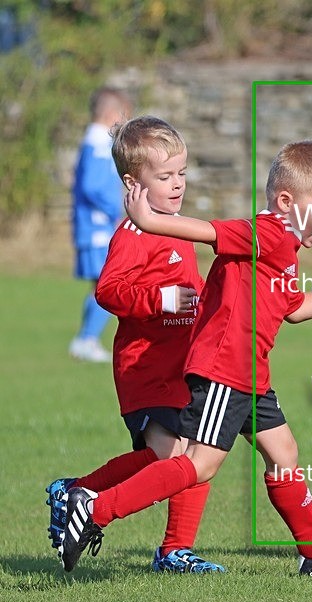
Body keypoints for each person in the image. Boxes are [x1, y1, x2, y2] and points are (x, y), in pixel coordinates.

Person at [58, 138, 312, 576]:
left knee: (284, 452)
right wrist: (149, 219)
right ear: (287, 201)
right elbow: (210, 233)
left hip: (254, 376)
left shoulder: (284, 249)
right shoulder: (266, 230)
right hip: (225, 372)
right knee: (199, 465)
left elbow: (296, 310)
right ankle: (96, 510)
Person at [46, 117, 222, 572]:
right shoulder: (135, 232)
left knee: (191, 452)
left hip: (183, 365)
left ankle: (170, 548)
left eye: (181, 174)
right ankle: (87, 499)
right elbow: (108, 290)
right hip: (145, 369)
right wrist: (158, 299)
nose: (177, 184)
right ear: (132, 182)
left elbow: (186, 287)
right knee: (175, 456)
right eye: (164, 177)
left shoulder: (179, 227)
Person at [69, 87, 132, 363]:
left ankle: (85, 338)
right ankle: (86, 339)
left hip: (97, 227)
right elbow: (92, 186)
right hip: (97, 229)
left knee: (102, 284)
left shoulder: (95, 144)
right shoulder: (96, 145)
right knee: (108, 284)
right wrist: (115, 210)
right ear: (110, 114)